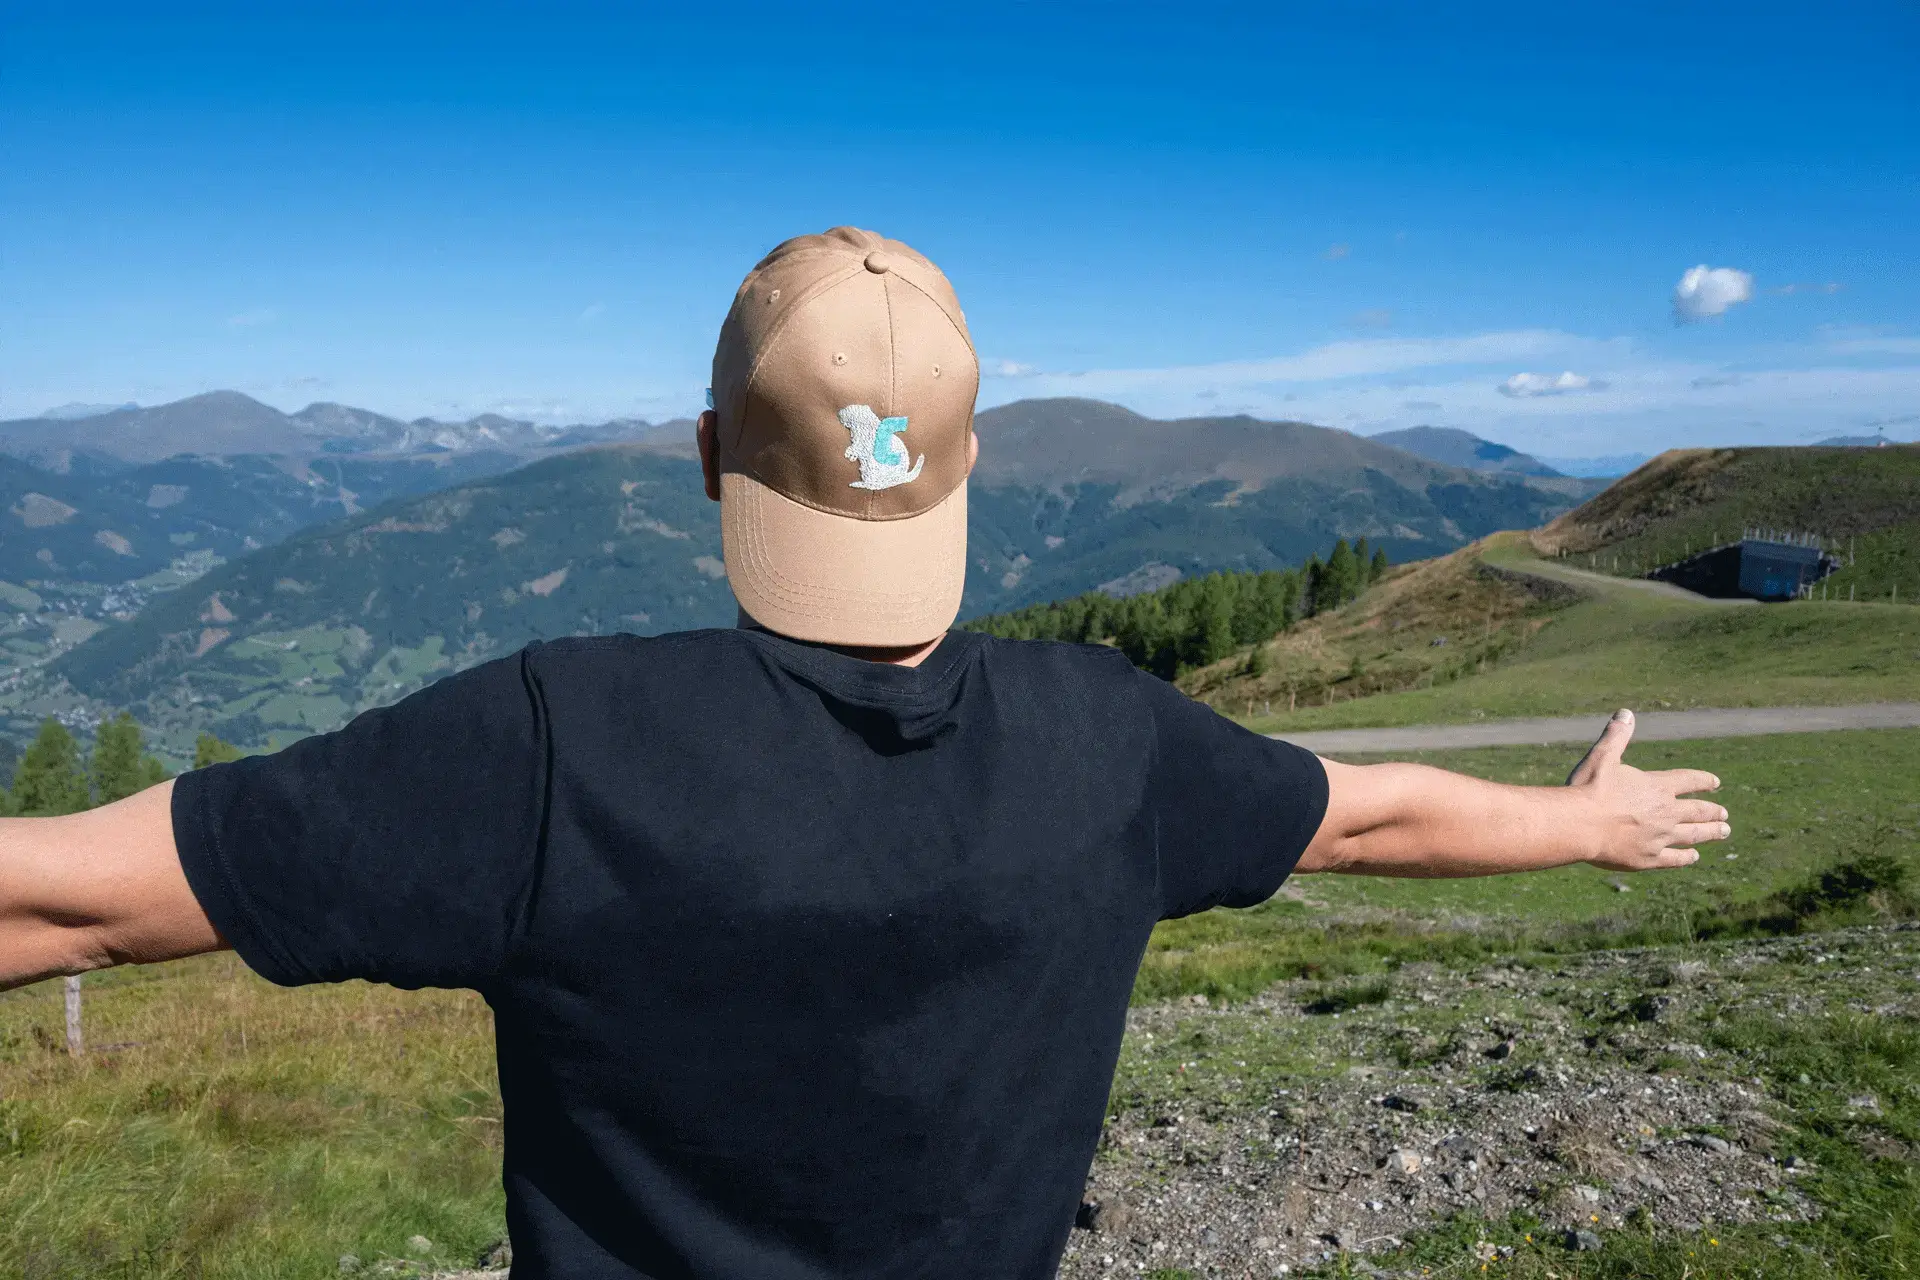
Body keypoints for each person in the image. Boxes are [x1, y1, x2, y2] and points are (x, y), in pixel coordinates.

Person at [0, 227, 1729, 1279]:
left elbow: (72, 909)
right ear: (971, 473)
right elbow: (1363, 822)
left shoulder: (553, 744)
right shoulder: (1110, 745)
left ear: (706, 456)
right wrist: (1583, 830)